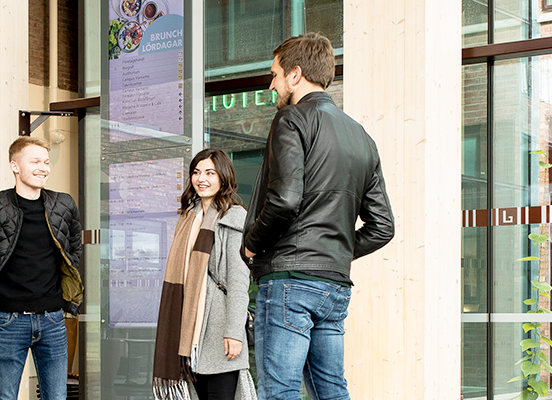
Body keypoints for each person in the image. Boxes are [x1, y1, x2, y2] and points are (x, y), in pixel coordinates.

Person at [241, 33, 395, 400]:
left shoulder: (290, 119)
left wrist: (251, 244)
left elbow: (284, 200)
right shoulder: (362, 137)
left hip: (289, 281)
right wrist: (334, 251)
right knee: (331, 391)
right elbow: (383, 226)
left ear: (295, 75)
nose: (272, 83)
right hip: (334, 286)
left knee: (279, 392)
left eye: (275, 74)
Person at [0, 136, 84, 400]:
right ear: (15, 166)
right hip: (9, 320)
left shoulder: (64, 205)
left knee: (56, 397)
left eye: (46, 162)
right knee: (6, 396)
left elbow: (74, 249)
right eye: (35, 161)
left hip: (54, 319)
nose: (43, 167)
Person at [152, 149, 257, 400]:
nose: (202, 179)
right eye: (197, 172)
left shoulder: (234, 216)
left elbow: (238, 281)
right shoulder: (188, 217)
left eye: (210, 172)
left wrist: (233, 332)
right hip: (188, 334)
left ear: (223, 177)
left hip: (219, 328)